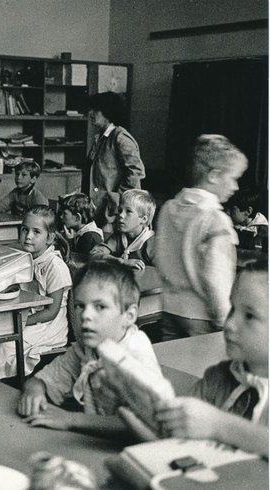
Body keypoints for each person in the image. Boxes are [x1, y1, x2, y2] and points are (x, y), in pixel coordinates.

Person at [18, 260, 161, 421]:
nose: (85, 315)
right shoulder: (87, 349)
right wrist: (35, 390)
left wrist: (71, 420)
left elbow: (141, 427)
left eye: (100, 307)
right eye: (80, 306)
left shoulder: (134, 357)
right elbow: (45, 378)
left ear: (129, 316)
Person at [153, 259, 268, 457]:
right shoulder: (218, 378)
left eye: (249, 316)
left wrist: (218, 425)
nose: (230, 324)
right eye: (232, 308)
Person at [156, 135, 247, 340]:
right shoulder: (216, 219)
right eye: (233, 179)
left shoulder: (168, 209)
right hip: (203, 315)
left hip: (170, 308)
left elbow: (159, 258)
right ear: (214, 175)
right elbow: (216, 277)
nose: (236, 187)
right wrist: (225, 320)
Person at [0, 205, 72, 379]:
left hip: (48, 326)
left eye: (36, 232)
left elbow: (51, 312)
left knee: (5, 345)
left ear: (50, 238)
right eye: (25, 230)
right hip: (26, 317)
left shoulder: (55, 266)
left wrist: (17, 324)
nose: (28, 236)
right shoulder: (23, 257)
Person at [81, 92, 145, 232]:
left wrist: (118, 198)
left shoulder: (120, 137)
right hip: (98, 206)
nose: (90, 113)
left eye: (95, 110)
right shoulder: (101, 137)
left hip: (113, 211)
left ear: (107, 112)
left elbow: (136, 171)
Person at [90, 189, 156, 270]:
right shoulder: (119, 236)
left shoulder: (152, 244)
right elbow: (94, 254)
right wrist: (121, 261)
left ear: (143, 219)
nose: (121, 215)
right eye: (120, 210)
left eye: (128, 211)